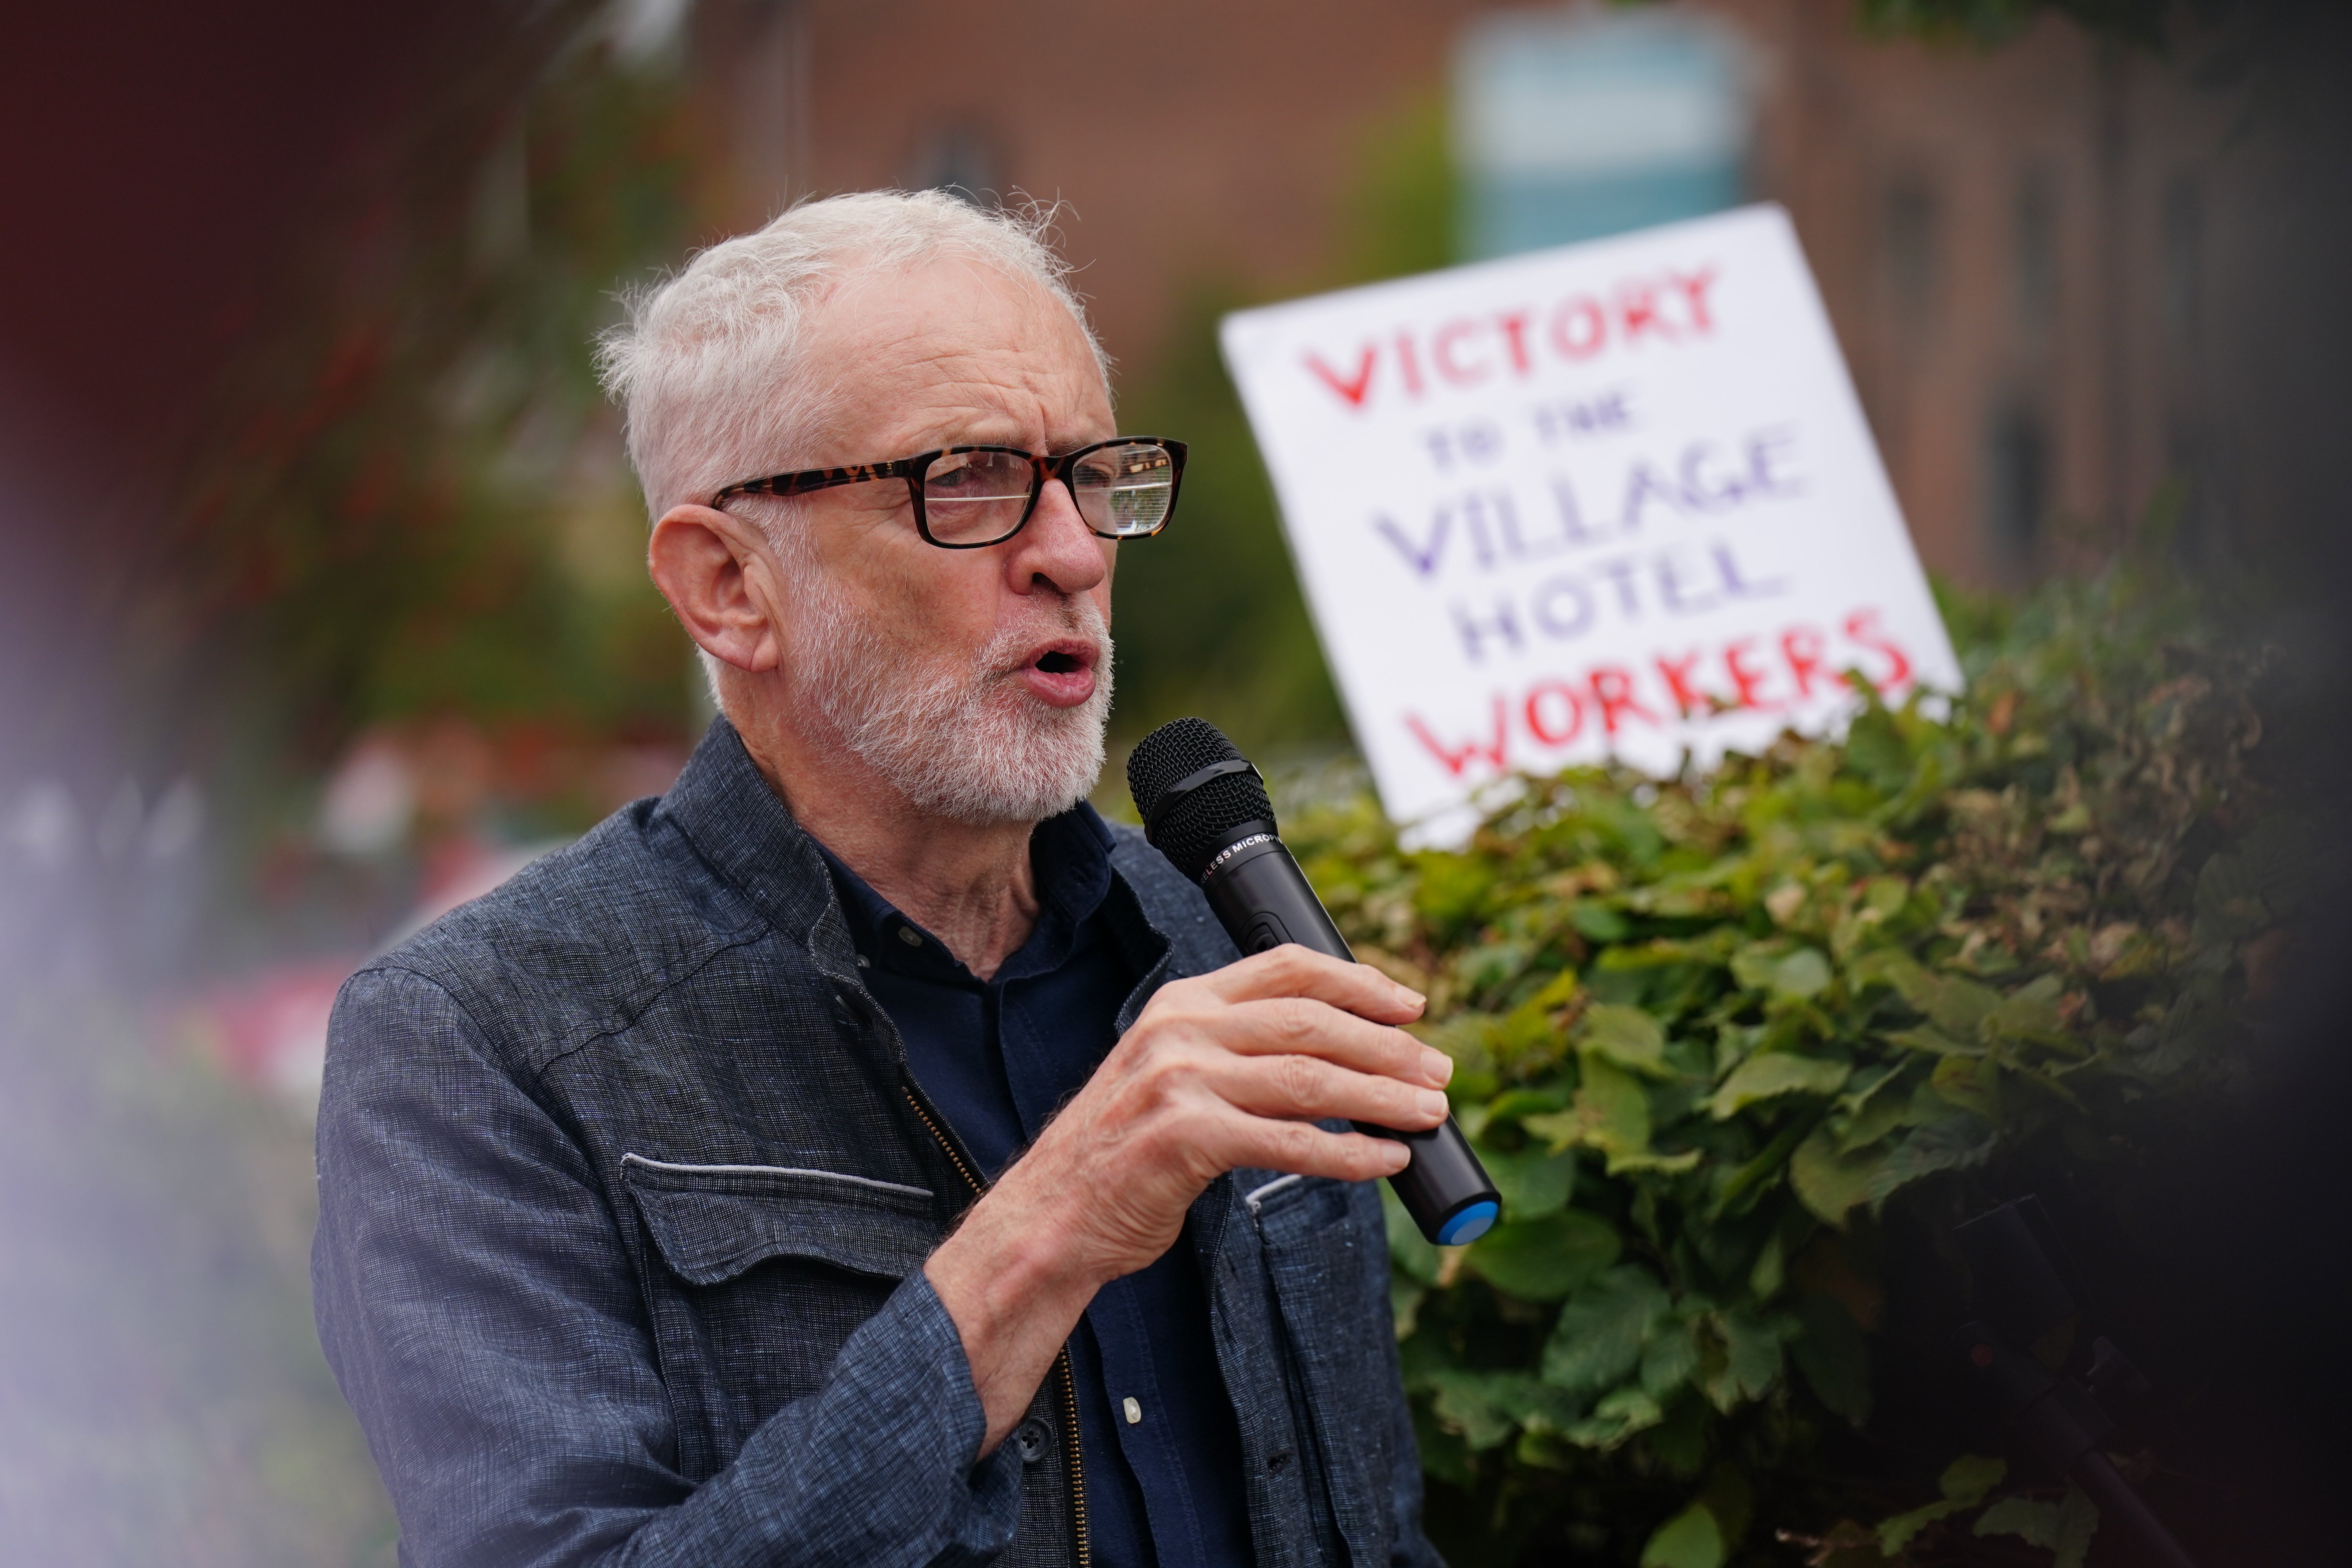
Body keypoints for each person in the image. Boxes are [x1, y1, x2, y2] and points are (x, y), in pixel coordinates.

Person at [312, 189, 1452, 1568]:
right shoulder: (481, 1044)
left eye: (1095, 475)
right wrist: (1048, 1234)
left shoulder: (1211, 938)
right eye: (967, 481)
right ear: (729, 586)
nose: (1076, 555)